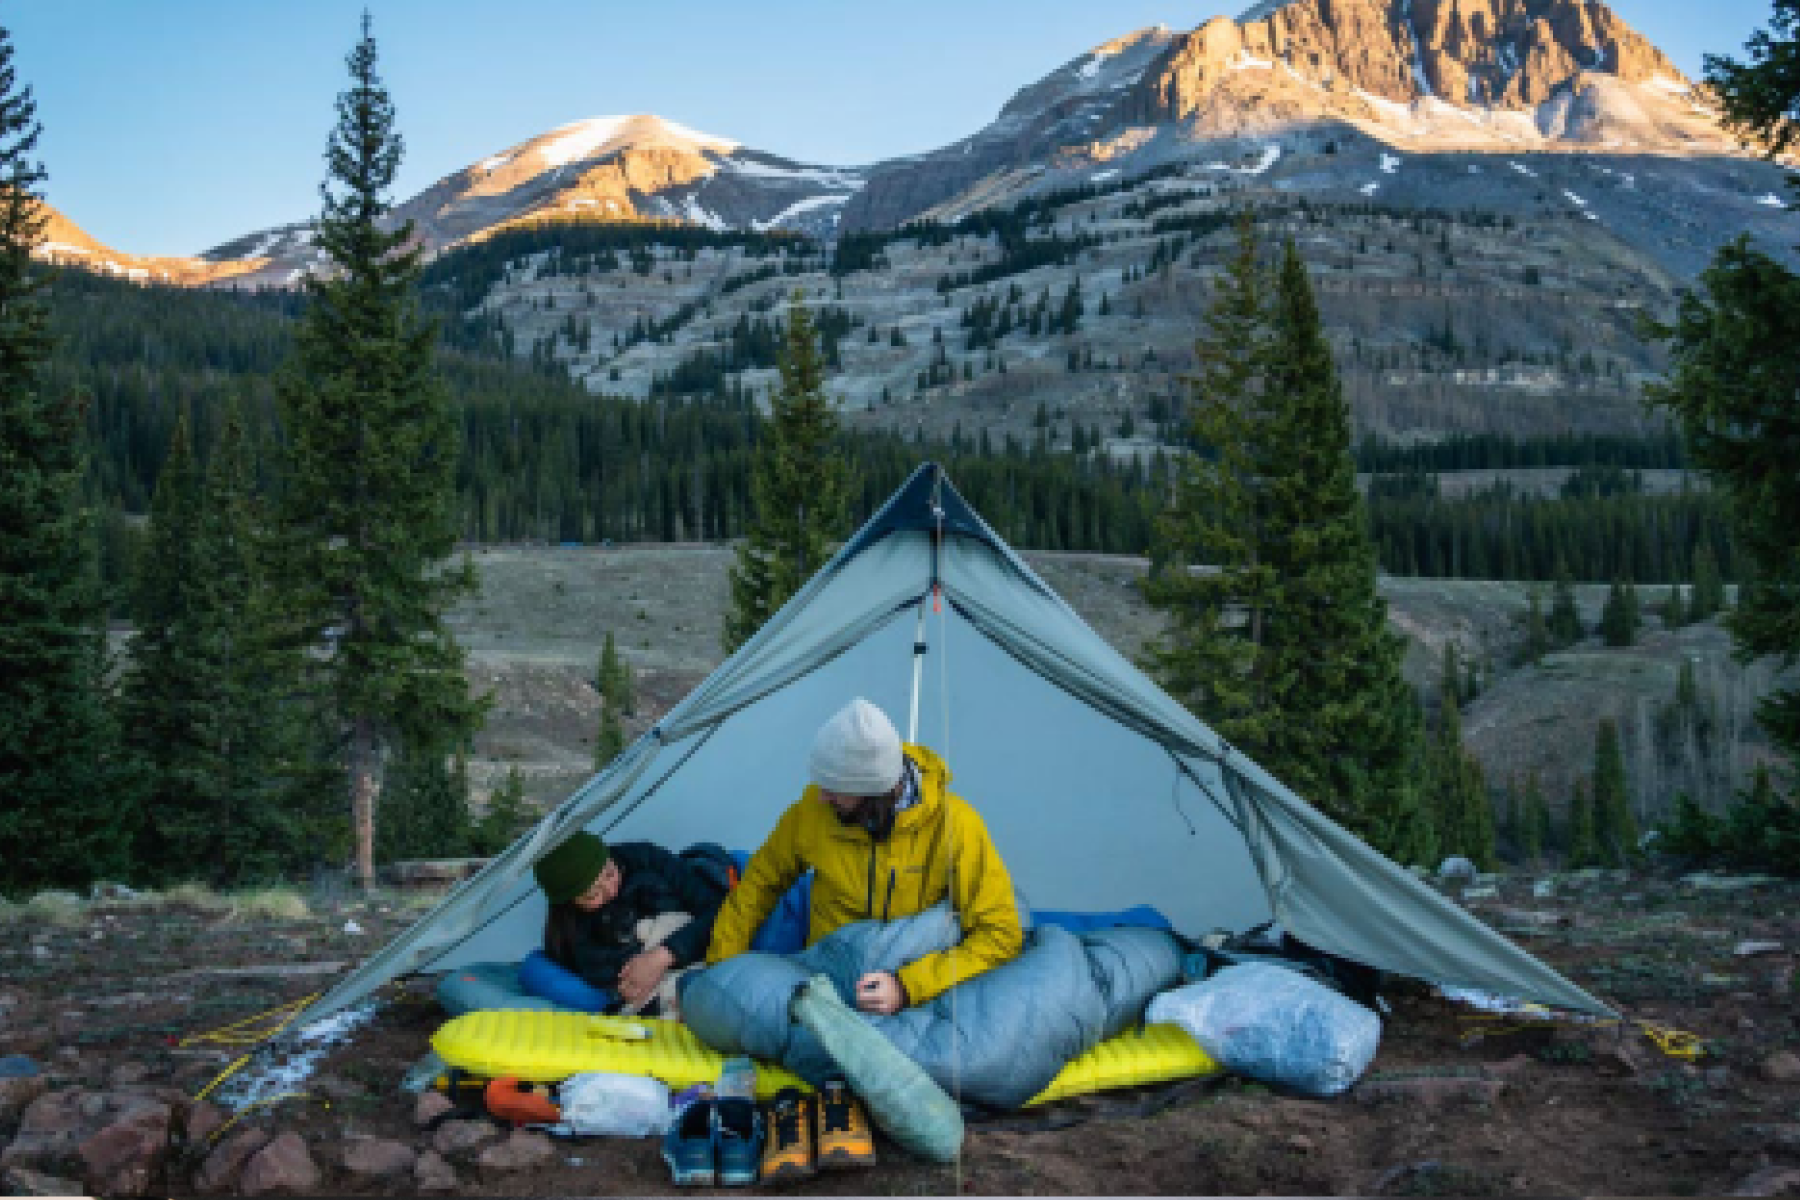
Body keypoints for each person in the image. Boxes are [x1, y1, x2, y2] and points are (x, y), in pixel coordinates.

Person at [705, 697, 1023, 1016]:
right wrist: (718, 971)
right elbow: (758, 886)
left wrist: (908, 986)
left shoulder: (955, 826)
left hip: (914, 988)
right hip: (826, 978)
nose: (821, 796)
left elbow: (1001, 933)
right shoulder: (812, 814)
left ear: (873, 791)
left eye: (833, 787)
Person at [532, 832, 727, 1017]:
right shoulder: (573, 934)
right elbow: (606, 978)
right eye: (593, 895)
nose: (610, 891)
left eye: (609, 874)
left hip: (697, 949)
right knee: (533, 970)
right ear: (570, 903)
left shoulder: (648, 860)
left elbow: (720, 912)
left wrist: (663, 956)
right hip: (658, 992)